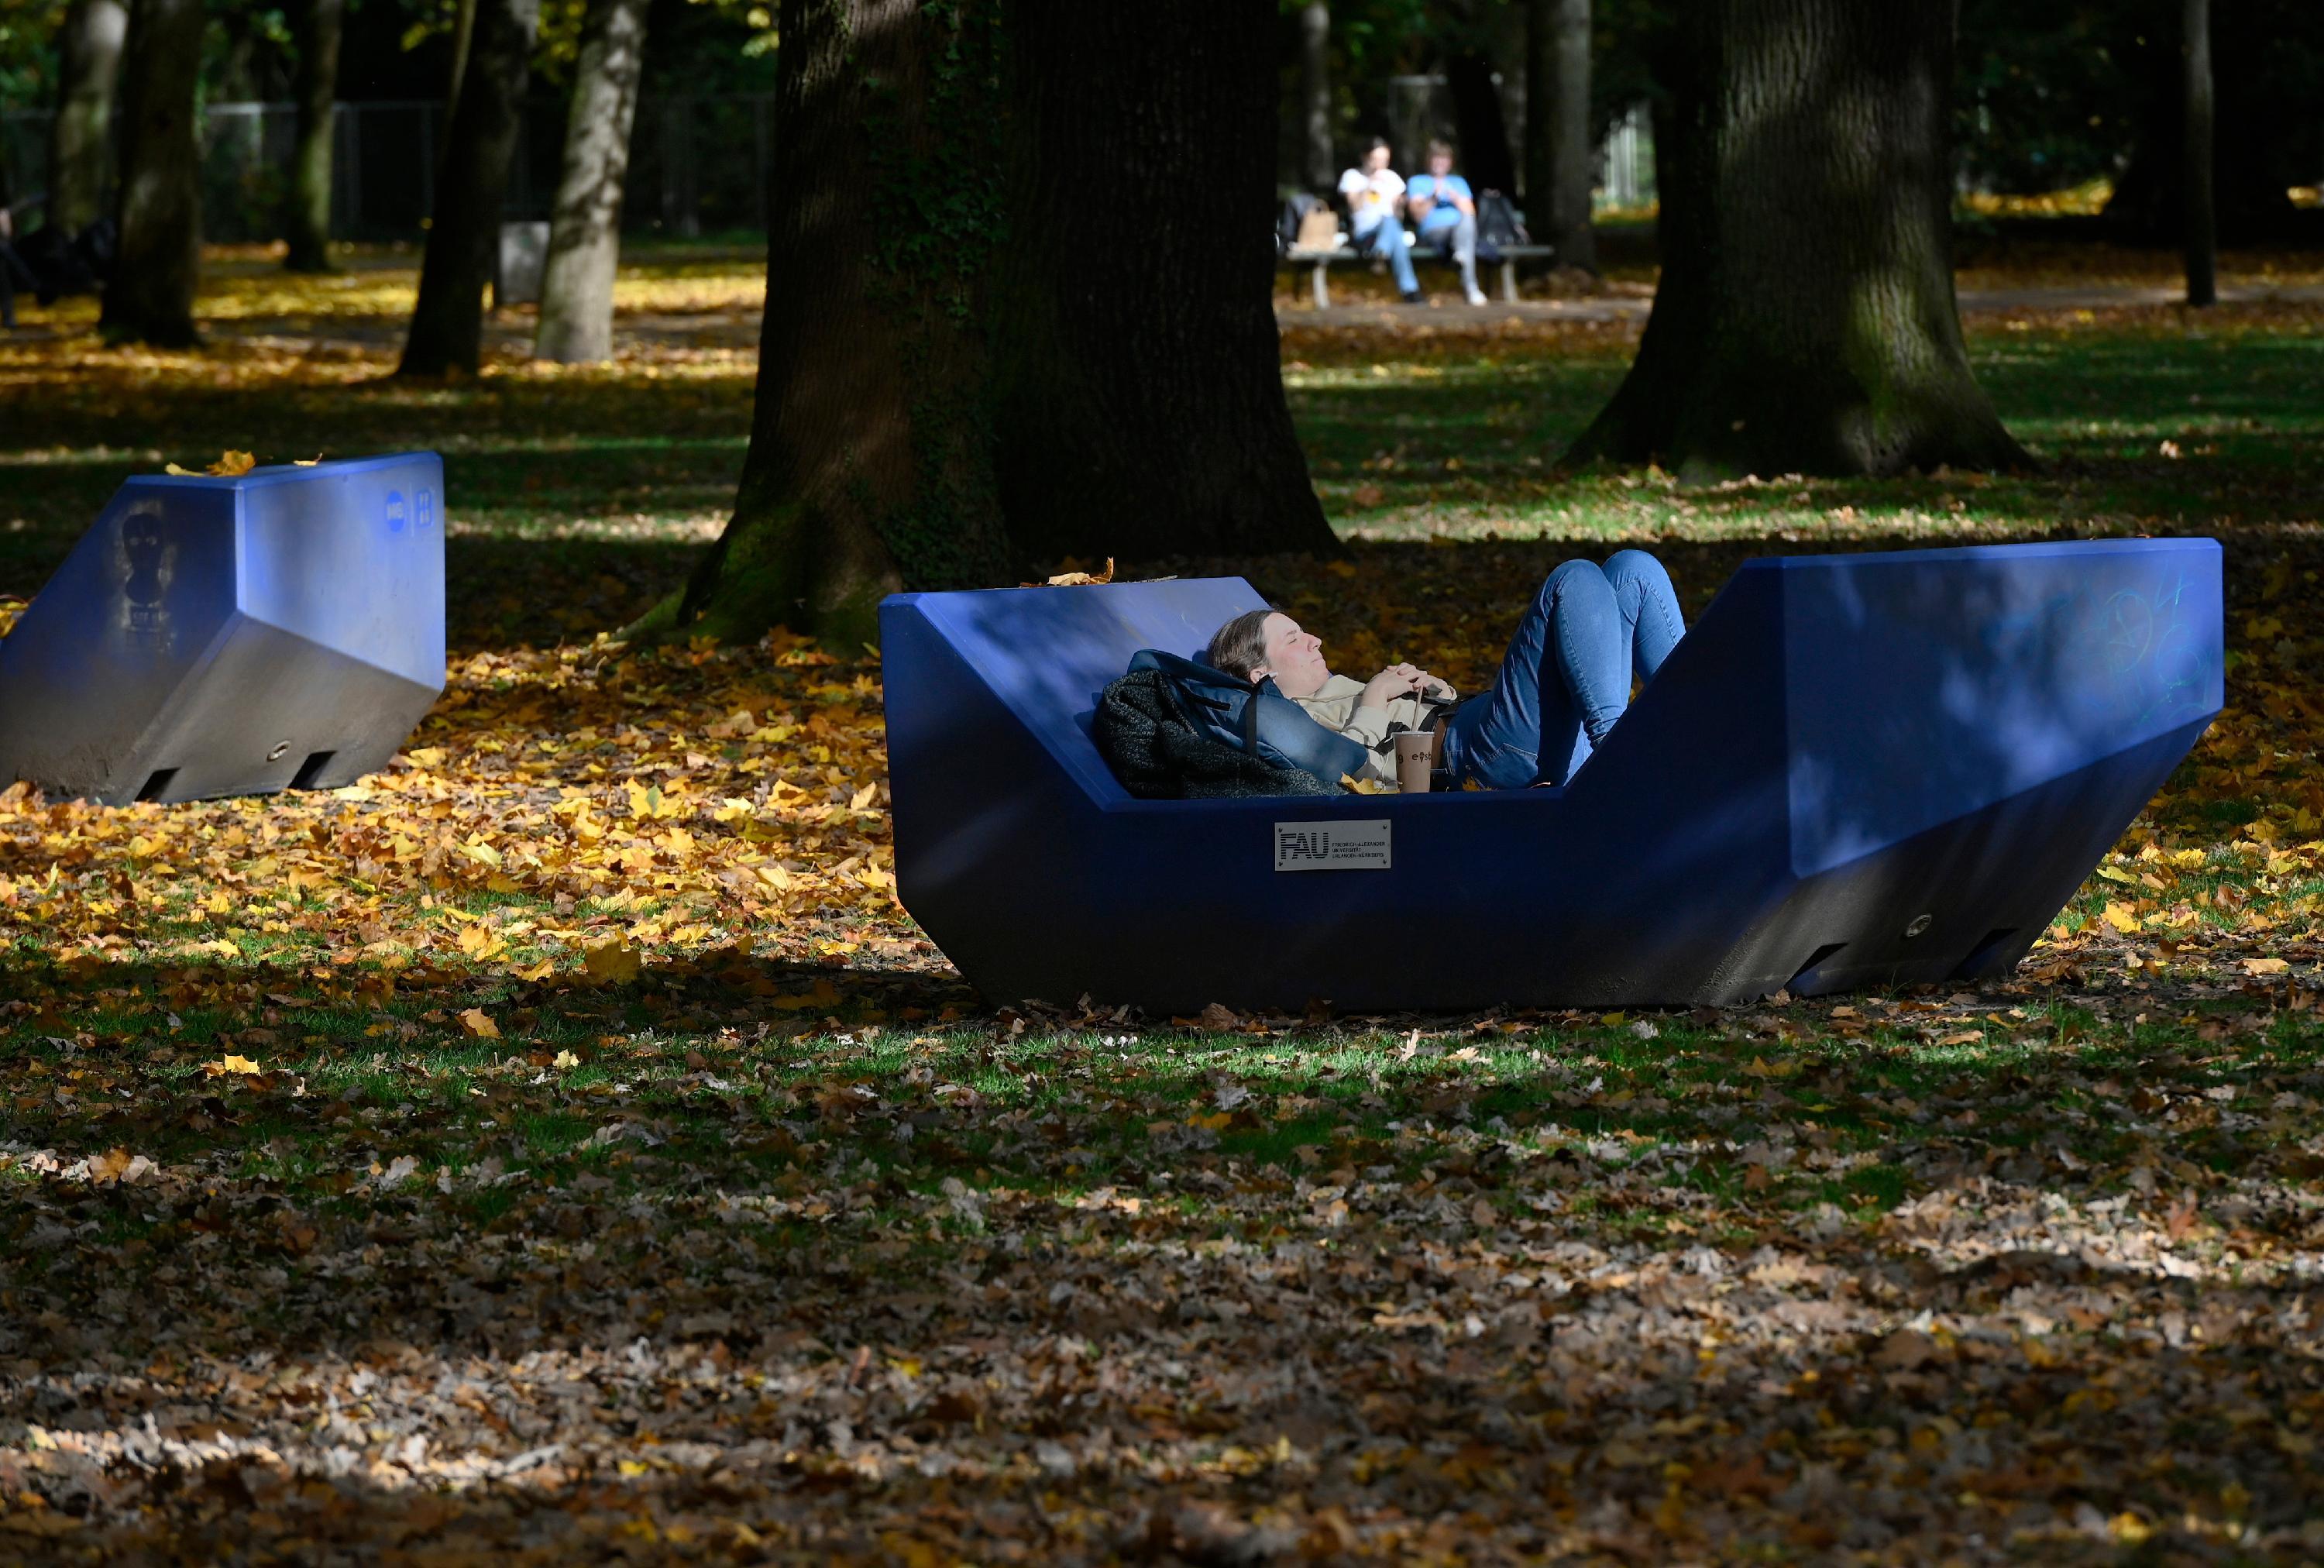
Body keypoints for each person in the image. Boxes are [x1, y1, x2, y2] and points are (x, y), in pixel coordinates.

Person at [1206, 551, 1685, 789]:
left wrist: (1434, 691)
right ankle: (1622, 755)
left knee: (1633, 569)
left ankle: (1701, 732)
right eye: (1294, 638)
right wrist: (1375, 697)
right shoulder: (1282, 721)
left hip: (1506, 731)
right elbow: (1342, 774)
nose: (1315, 640)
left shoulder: (1335, 689)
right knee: (1574, 577)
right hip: (1483, 753)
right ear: (1259, 674)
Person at [1336, 136, 1422, 304]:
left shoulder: (1393, 179)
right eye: (1375, 159)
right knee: (1396, 235)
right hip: (1364, 234)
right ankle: (1410, 291)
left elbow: (1399, 217)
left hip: (1387, 233)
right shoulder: (1352, 176)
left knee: (1391, 224)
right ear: (1365, 157)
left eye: (1384, 160)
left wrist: (1399, 205)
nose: (1379, 164)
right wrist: (1369, 184)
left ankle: (1381, 252)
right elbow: (1354, 207)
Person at [1405, 139, 1487, 307]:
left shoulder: (1458, 183)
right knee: (1466, 245)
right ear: (1428, 160)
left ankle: (1461, 256)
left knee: (1466, 226)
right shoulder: (1417, 182)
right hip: (1433, 233)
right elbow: (1417, 215)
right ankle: (1471, 289)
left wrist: (1455, 198)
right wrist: (1433, 198)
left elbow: (1470, 212)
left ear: (1450, 162)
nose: (1439, 163)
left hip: (1461, 232)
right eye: (1436, 158)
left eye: (1444, 159)